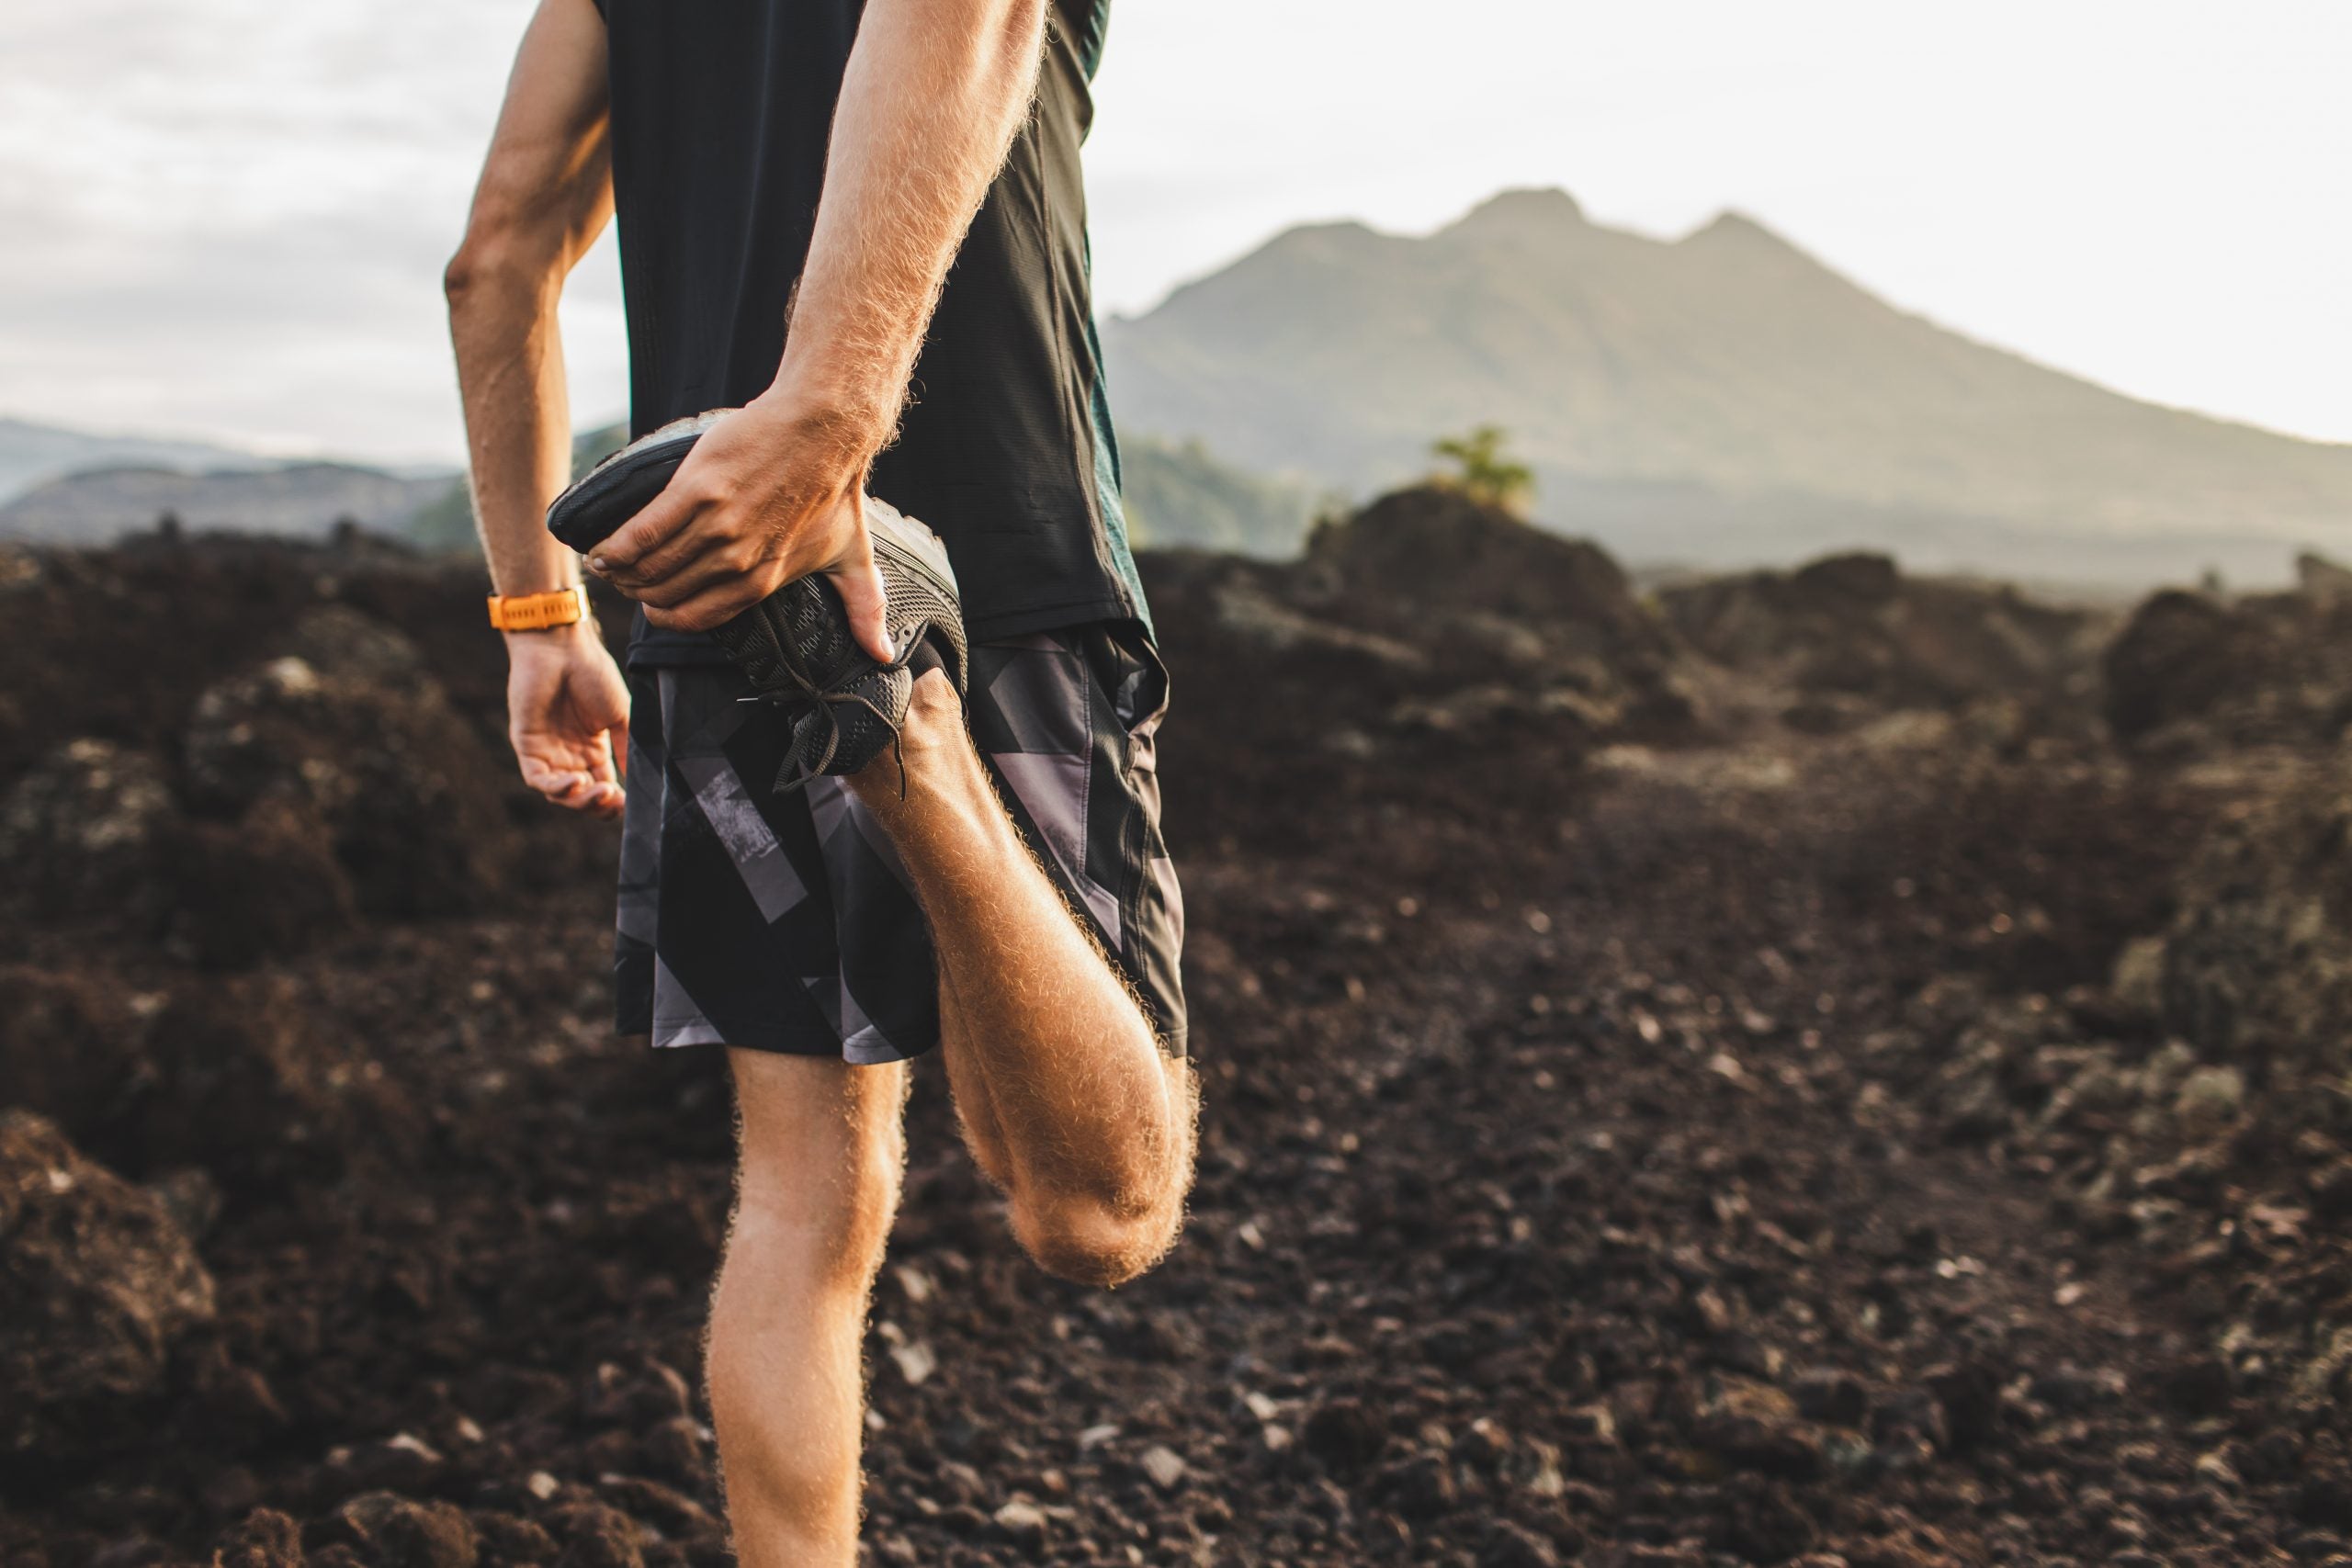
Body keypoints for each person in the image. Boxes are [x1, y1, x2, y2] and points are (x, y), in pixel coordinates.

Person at [442, 1, 1195, 1561]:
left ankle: (867, 709)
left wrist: (536, 614)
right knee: (1097, 1214)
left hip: (713, 576)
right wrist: (828, 430)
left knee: (802, 1204)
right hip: (994, 541)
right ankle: (906, 738)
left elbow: (500, 251)